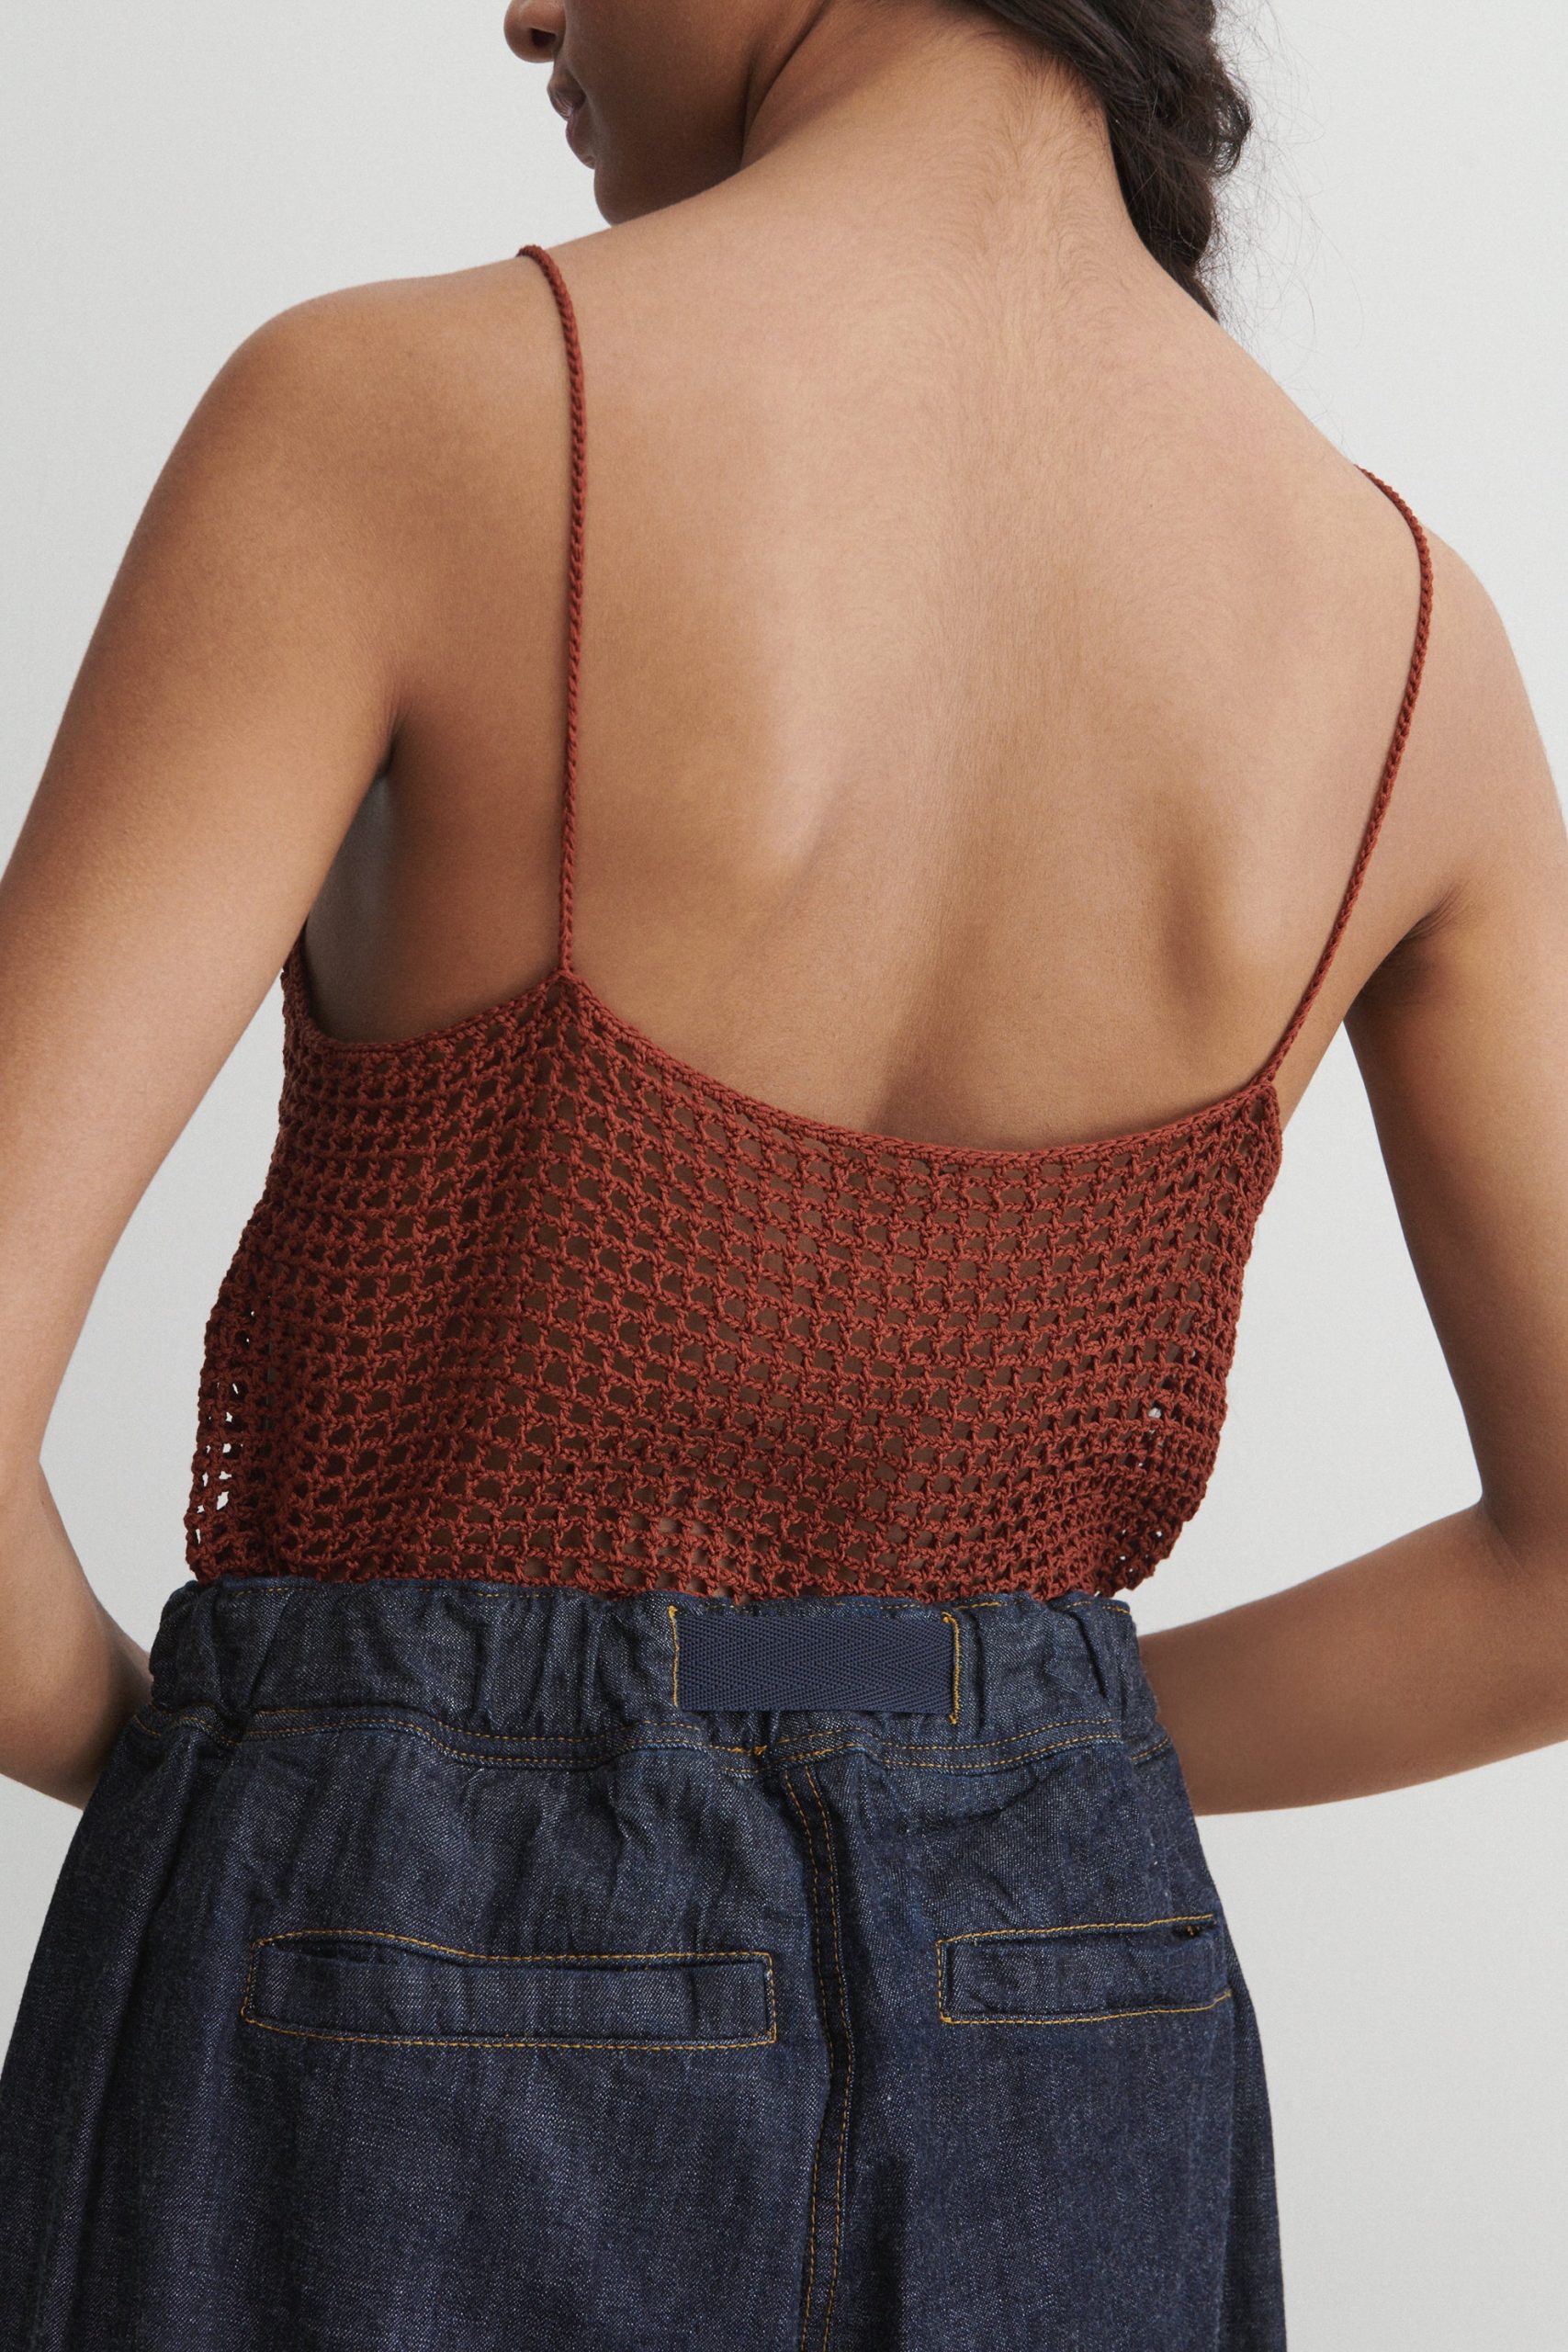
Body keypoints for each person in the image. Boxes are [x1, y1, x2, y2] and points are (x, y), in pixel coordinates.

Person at [0, 1, 1563, 2345]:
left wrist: (252, 1765)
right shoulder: (1416, 648)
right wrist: (1000, 1742)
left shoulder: (397, 419)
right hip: (1073, 1990)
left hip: (372, 1978)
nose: (526, 13)